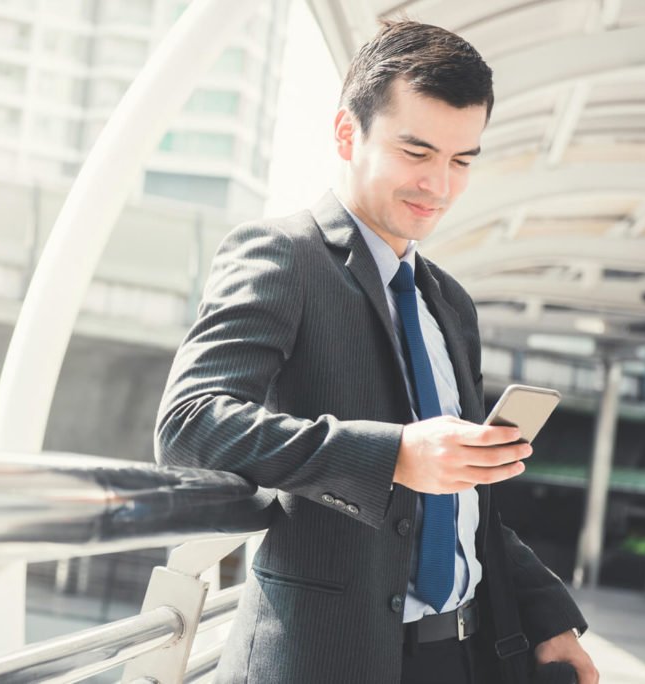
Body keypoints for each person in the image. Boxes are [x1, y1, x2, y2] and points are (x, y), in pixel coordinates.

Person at [155, 19, 599, 684]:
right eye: (416, 152)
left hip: (461, 657)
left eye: (461, 161)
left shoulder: (450, 304)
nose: (439, 185)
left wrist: (548, 617)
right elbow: (189, 426)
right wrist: (392, 455)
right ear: (347, 134)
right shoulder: (283, 256)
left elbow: (468, 508)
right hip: (327, 660)